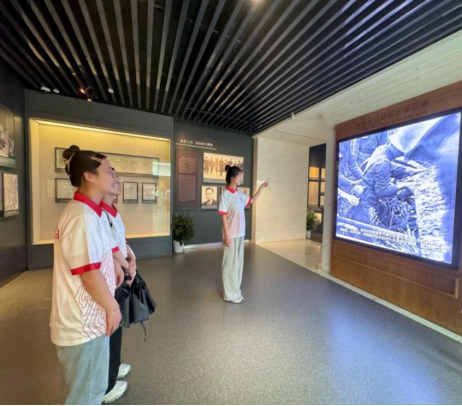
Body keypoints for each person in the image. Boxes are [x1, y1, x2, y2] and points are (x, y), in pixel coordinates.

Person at [50, 146, 124, 405]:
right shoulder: (83, 218)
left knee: (90, 390)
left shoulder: (91, 212)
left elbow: (100, 253)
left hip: (90, 320)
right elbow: (89, 275)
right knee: (86, 395)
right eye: (109, 171)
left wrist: (115, 266)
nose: (114, 176)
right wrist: (113, 307)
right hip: (81, 325)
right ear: (89, 176)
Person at [100, 172, 137, 404]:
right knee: (110, 327)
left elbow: (121, 241)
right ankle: (107, 384)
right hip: (111, 276)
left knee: (117, 325)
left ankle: (114, 364)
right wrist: (126, 265)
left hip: (121, 271)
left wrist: (131, 258)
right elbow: (110, 248)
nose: (117, 182)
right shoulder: (99, 214)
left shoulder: (112, 211)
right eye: (111, 176)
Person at [219, 166, 269, 304]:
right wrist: (227, 236)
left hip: (240, 234)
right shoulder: (225, 194)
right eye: (239, 176)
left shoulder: (240, 194)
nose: (241, 178)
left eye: (241, 175)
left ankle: (235, 291)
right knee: (229, 265)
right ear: (232, 178)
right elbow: (223, 216)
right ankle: (229, 294)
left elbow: (252, 200)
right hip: (231, 235)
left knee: (238, 265)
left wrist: (262, 188)